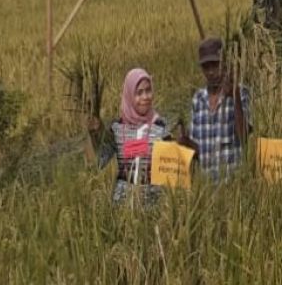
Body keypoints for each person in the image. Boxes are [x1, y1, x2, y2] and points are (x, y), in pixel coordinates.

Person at [88, 68, 176, 205]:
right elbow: (100, 161)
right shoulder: (117, 128)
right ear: (129, 95)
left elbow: (172, 169)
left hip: (153, 208)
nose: (145, 97)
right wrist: (95, 135)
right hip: (122, 209)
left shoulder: (160, 126)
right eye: (139, 93)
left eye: (148, 90)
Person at [180, 37, 251, 181]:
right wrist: (185, 141)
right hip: (207, 189)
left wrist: (235, 97)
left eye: (215, 65)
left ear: (225, 64)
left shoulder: (241, 93)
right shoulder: (198, 99)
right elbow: (199, 152)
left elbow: (244, 136)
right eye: (206, 67)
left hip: (233, 186)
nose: (211, 72)